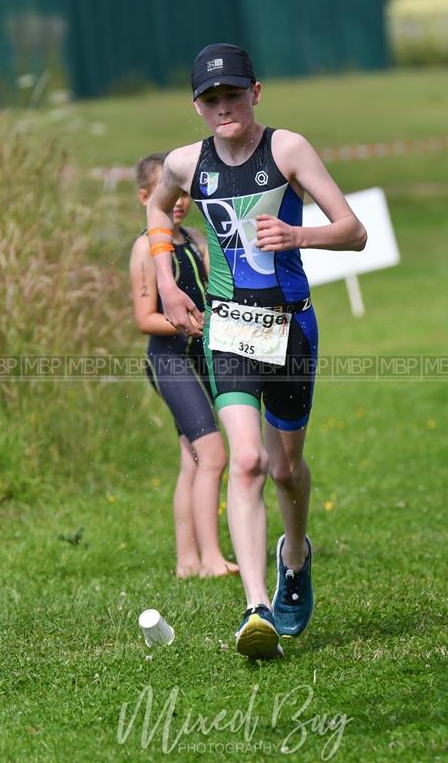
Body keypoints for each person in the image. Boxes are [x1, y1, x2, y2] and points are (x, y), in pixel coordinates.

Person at [147, 44, 367, 658]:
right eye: (211, 100)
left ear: (256, 93)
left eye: (234, 96)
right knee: (244, 462)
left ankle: (293, 557)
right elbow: (156, 206)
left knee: (284, 468)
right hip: (229, 330)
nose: (224, 109)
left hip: (291, 328)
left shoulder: (288, 149)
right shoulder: (185, 163)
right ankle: (256, 608)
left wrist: (301, 235)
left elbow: (354, 231)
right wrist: (167, 282)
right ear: (197, 106)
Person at [130, 152, 238, 578]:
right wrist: (193, 325)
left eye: (181, 193)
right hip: (169, 360)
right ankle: (212, 560)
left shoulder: (192, 239)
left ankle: (187, 561)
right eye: (163, 193)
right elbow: (144, 318)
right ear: (145, 197)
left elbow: (216, 291)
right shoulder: (144, 248)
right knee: (212, 453)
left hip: (198, 354)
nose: (175, 201)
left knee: (192, 460)